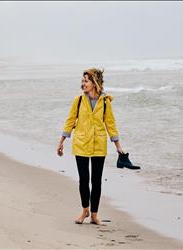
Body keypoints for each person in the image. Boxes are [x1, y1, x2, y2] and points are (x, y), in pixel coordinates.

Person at [57, 67, 125, 225]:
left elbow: (111, 124)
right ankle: (84, 210)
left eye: (86, 81)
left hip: (98, 145)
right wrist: (61, 141)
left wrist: (118, 146)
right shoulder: (78, 100)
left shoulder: (106, 102)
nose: (83, 84)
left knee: (97, 180)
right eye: (82, 81)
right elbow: (70, 120)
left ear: (94, 83)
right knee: (83, 179)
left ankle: (94, 215)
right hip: (81, 143)